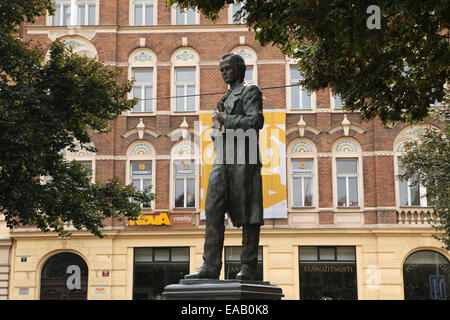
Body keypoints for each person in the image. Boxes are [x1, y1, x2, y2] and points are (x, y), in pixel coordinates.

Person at [185, 53, 264, 281]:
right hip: (223, 159)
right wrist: (217, 124)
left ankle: (248, 266)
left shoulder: (250, 90)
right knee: (213, 208)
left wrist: (225, 119)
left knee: (249, 213)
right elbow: (217, 132)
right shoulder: (224, 97)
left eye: (227, 68)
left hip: (244, 158)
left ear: (239, 69)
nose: (223, 72)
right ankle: (210, 265)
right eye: (221, 69)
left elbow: (256, 121)